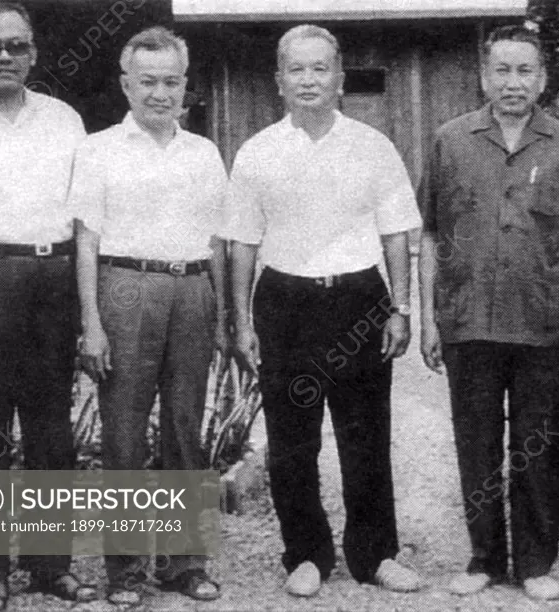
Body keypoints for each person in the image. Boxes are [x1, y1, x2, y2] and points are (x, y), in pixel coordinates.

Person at [223, 24, 423, 599]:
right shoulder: (257, 150)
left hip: (360, 300)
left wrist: (400, 307)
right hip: (285, 302)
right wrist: (241, 321)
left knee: (366, 435)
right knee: (292, 440)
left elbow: (394, 233)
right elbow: (242, 243)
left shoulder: (373, 145)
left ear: (340, 79)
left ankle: (375, 553)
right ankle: (305, 554)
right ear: (279, 81)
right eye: (296, 69)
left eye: (320, 69)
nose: (308, 80)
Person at [418, 24, 559, 602]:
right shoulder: (451, 139)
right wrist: (428, 316)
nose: (513, 82)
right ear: (484, 76)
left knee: (537, 448)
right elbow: (428, 233)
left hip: (541, 324)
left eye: (525, 71)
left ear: (542, 78)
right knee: (476, 448)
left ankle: (536, 562)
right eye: (502, 70)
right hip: (468, 321)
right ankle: (483, 559)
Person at [70, 26, 226, 605]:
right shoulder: (98, 148)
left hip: (191, 291)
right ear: (125, 85)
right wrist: (91, 320)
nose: (160, 94)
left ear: (185, 86)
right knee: (124, 434)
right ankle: (127, 571)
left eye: (171, 82)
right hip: (124, 286)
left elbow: (217, 240)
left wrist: (226, 315)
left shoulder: (204, 152)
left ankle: (186, 564)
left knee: (187, 428)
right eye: (148, 82)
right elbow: (86, 239)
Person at [0, 2, 94, 610]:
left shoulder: (64, 120)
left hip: (52, 278)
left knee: (50, 432)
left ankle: (48, 567)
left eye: (16, 45)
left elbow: (87, 215)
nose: (4, 57)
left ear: (34, 53)